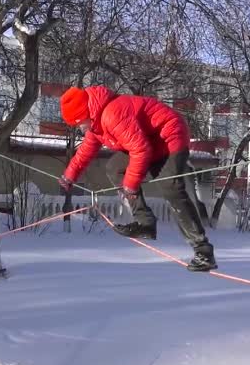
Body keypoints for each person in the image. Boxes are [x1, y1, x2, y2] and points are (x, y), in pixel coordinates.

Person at [57, 85, 218, 272]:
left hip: (169, 135)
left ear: (85, 114)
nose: (80, 128)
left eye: (79, 123)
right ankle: (145, 222)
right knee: (114, 168)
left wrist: (131, 185)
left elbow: (140, 150)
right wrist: (69, 176)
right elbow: (85, 151)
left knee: (171, 187)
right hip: (148, 141)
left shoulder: (112, 114)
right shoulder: (97, 124)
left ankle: (203, 251)